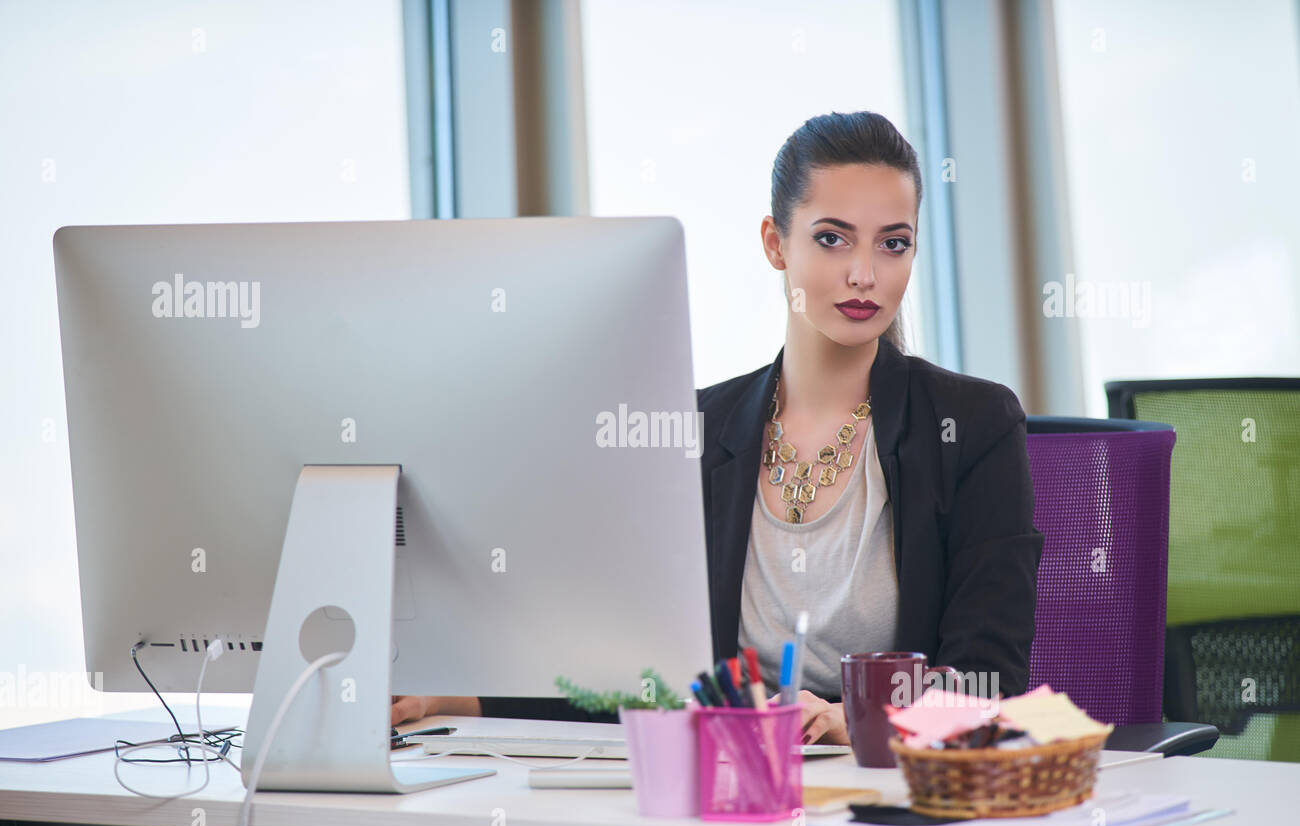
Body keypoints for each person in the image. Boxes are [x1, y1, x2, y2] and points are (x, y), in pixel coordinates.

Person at [392, 110, 1044, 744]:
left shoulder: (973, 425)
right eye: (832, 237)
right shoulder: (696, 431)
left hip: (891, 791)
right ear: (774, 243)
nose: (864, 274)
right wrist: (457, 697)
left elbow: (989, 682)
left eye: (893, 243)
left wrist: (859, 720)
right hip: (730, 781)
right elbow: (637, 666)